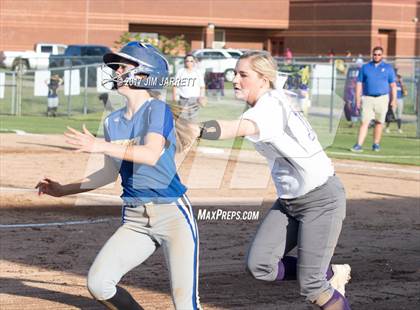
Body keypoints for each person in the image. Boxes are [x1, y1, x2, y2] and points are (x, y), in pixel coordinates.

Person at [36, 41, 201, 310]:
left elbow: (150, 153)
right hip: (136, 218)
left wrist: (98, 145)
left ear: (144, 73)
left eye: (122, 65)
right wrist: (63, 190)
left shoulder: (156, 110)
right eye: (115, 66)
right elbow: (108, 173)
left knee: (185, 305)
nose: (115, 71)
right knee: (99, 283)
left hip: (172, 215)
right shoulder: (112, 121)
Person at [196, 51, 351, 310]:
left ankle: (319, 277)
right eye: (235, 73)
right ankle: (329, 273)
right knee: (260, 265)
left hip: (321, 199)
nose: (235, 79)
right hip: (290, 202)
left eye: (243, 74)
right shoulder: (268, 103)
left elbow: (238, 128)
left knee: (311, 286)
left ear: (264, 79)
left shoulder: (269, 106)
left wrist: (198, 129)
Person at [350, 46, 396, 152]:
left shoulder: (388, 68)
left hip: (382, 98)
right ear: (372, 55)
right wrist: (357, 99)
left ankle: (376, 144)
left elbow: (393, 85)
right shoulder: (365, 67)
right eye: (375, 54)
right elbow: (359, 84)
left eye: (379, 54)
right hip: (367, 98)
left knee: (379, 122)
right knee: (364, 121)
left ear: (382, 55)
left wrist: (393, 100)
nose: (377, 56)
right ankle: (358, 145)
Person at [172, 53, 206, 120]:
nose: (189, 63)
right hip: (183, 99)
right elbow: (175, 85)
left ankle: (192, 130)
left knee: (193, 120)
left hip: (194, 100)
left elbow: (202, 87)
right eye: (187, 61)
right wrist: (174, 97)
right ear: (185, 62)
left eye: (191, 61)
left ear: (194, 62)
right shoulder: (180, 72)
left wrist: (201, 97)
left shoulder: (198, 72)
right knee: (183, 119)